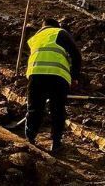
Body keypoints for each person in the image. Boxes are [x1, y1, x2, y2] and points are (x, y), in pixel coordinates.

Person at [25, 18, 81, 154]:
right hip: (58, 75)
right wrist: (75, 77)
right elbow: (76, 55)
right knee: (57, 109)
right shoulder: (60, 32)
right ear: (56, 25)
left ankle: (29, 139)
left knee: (35, 107)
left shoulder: (34, 38)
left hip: (36, 75)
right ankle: (56, 143)